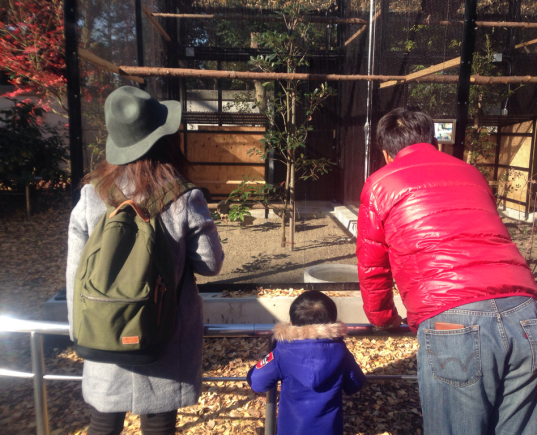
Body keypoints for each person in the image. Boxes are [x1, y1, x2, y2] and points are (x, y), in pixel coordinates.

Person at [356, 107, 537, 434]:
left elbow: (372, 264)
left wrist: (383, 317)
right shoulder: (470, 172)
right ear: (434, 141)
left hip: (452, 318)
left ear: (387, 153)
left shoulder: (380, 183)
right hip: (525, 314)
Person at [66, 86, 224, 435]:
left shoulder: (91, 195)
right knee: (159, 422)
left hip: (104, 326)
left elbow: (75, 274)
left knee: (103, 422)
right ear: (163, 139)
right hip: (164, 331)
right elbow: (211, 264)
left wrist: (82, 329)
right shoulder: (185, 196)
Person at [247, 291, 366, 435]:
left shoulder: (281, 353)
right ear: (333, 323)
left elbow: (257, 382)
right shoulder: (341, 353)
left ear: (291, 324)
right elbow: (355, 384)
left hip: (291, 430)